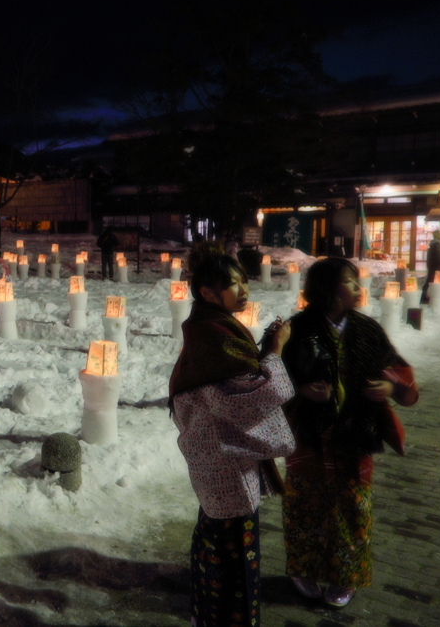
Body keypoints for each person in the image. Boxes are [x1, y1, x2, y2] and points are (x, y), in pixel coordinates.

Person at [169, 242, 295, 627]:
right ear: (208, 293)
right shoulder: (213, 334)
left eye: (244, 282)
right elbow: (249, 398)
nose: (244, 291)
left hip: (216, 462)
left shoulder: (209, 326)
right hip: (226, 466)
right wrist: (273, 351)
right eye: (234, 285)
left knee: (214, 547)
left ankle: (206, 617)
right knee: (233, 564)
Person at [280, 257, 418, 609]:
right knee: (305, 507)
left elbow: (397, 370)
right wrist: (301, 390)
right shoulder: (296, 329)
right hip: (308, 437)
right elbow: (273, 377)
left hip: (356, 434)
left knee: (353, 508)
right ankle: (303, 569)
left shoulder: (367, 329)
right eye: (351, 282)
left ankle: (346, 575)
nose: (359, 289)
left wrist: (389, 388)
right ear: (328, 289)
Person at [421, 229, 440, 303]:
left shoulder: (434, 244)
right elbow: (438, 256)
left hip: (433, 266)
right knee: (431, 280)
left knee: (430, 280)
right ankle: (425, 296)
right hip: (436, 266)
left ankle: (425, 295)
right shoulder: (438, 244)